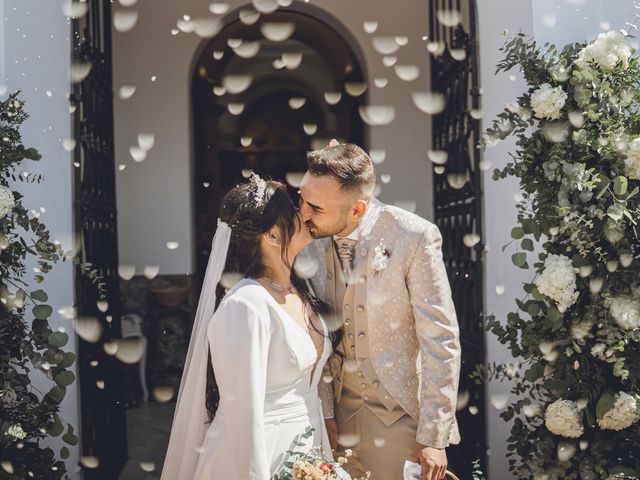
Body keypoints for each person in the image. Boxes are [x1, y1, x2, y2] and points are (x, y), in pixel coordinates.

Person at [298, 142, 462, 480]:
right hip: (335, 422)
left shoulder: (413, 237)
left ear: (357, 210)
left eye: (315, 206)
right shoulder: (308, 239)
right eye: (302, 198)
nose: (303, 213)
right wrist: (325, 413)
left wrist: (433, 436)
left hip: (400, 419)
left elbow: (440, 340)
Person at [160, 175, 334, 479]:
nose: (304, 214)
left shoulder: (301, 293)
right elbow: (243, 417)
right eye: (294, 210)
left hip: (305, 449)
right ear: (272, 237)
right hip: (254, 457)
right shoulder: (245, 306)